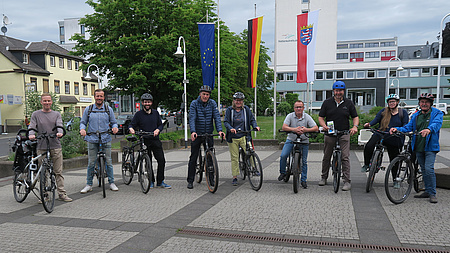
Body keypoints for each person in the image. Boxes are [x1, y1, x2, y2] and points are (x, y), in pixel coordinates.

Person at [390, 93, 443, 204]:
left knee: (429, 169)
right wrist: (397, 129)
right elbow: (408, 127)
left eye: (426, 102)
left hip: (430, 147)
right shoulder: (415, 116)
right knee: (423, 169)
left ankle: (432, 193)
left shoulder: (437, 113)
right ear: (419, 103)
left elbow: (436, 124)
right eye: (422, 102)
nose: (424, 104)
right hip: (418, 146)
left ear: (430, 104)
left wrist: (428, 129)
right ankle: (427, 191)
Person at [28, 93, 72, 202]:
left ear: (51, 102)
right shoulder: (36, 114)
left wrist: (60, 133)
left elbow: (59, 125)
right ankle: (44, 195)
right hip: (41, 146)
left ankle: (62, 194)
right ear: (41, 102)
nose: (47, 103)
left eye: (48, 101)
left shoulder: (56, 114)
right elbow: (32, 126)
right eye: (45, 101)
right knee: (43, 172)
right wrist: (31, 134)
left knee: (58, 171)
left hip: (55, 145)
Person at [318, 81, 359, 191]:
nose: (338, 93)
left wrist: (355, 126)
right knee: (327, 156)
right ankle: (324, 177)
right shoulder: (327, 103)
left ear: (343, 91)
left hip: (344, 133)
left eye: (340, 91)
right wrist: (323, 125)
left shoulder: (348, 103)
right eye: (336, 90)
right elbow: (321, 117)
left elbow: (355, 117)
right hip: (330, 133)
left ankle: (346, 181)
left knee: (345, 157)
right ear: (333, 91)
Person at [79, 89, 119, 193]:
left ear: (104, 97)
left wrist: (115, 128)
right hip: (92, 138)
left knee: (109, 162)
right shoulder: (89, 109)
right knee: (91, 162)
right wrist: (82, 129)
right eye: (97, 96)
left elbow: (114, 122)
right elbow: (83, 122)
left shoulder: (108, 109)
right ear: (94, 97)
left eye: (101, 96)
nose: (99, 98)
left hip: (105, 137)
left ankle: (111, 182)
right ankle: (89, 184)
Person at [129, 93, 171, 189]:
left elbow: (160, 125)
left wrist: (158, 130)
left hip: (155, 139)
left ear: (151, 103)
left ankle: (160, 181)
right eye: (144, 102)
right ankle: (151, 181)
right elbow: (132, 124)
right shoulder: (138, 114)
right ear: (142, 103)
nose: (146, 104)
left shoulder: (155, 113)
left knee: (162, 160)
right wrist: (131, 129)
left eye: (148, 102)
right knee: (148, 162)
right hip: (145, 140)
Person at [186, 85, 225, 189]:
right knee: (193, 157)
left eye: (207, 94)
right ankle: (190, 180)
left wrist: (220, 130)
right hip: (198, 134)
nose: (205, 96)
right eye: (204, 94)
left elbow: (217, 117)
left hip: (208, 133)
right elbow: (192, 118)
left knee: (210, 158)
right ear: (200, 94)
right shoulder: (194, 104)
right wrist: (193, 131)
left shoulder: (212, 103)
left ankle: (211, 179)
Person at [362, 94, 409, 173]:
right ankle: (366, 164)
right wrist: (369, 124)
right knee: (369, 146)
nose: (391, 103)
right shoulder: (384, 111)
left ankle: (395, 179)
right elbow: (376, 119)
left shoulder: (402, 113)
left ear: (397, 102)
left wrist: (399, 131)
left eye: (393, 102)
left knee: (394, 158)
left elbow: (405, 125)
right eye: (390, 102)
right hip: (381, 133)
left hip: (394, 136)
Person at [279, 100, 318, 189]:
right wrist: (294, 129)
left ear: (303, 108)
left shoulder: (307, 117)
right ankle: (283, 172)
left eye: (300, 107)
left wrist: (306, 130)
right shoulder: (290, 116)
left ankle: (303, 180)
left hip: (304, 141)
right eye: (297, 107)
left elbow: (315, 127)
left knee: (304, 161)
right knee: (283, 155)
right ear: (294, 108)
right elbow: (284, 127)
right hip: (291, 139)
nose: (298, 109)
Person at [224, 92, 260, 186]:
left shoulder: (246, 109)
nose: (238, 102)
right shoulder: (229, 110)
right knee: (235, 157)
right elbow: (226, 122)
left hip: (244, 135)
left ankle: (254, 168)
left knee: (250, 151)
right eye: (236, 100)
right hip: (233, 137)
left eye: (240, 100)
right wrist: (230, 128)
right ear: (234, 101)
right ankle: (235, 177)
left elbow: (252, 119)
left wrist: (255, 126)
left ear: (242, 101)